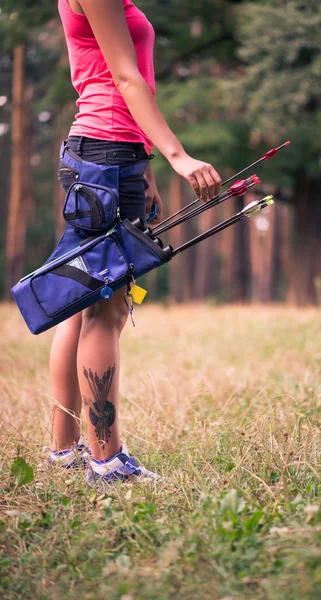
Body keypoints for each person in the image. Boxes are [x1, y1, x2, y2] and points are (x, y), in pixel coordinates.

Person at [48, 0, 221, 483]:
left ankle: (64, 452)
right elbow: (125, 78)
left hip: (111, 153)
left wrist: (143, 164)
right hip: (106, 155)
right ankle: (106, 461)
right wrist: (177, 155)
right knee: (106, 305)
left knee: (79, 299)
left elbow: (119, 75)